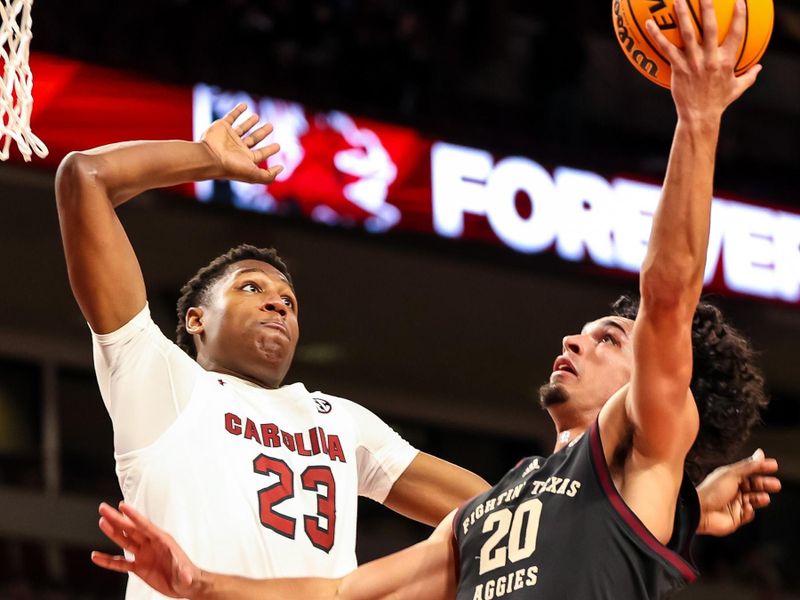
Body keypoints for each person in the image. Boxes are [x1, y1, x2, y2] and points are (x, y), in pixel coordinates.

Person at [89, 0, 782, 598]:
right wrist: (195, 583)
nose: (573, 341)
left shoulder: (636, 442)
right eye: (585, 330)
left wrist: (697, 120)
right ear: (195, 318)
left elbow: (667, 294)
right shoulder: (496, 507)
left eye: (606, 338)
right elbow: (341, 591)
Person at [55, 90, 493, 598]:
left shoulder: (340, 419)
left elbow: (496, 508)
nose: (278, 304)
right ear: (196, 319)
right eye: (251, 288)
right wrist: (208, 158)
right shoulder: (158, 379)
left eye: (289, 299)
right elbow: (84, 178)